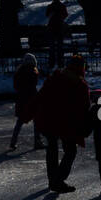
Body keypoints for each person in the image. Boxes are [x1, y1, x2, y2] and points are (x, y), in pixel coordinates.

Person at [34, 54, 91, 192]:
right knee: (70, 151)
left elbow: (40, 96)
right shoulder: (80, 85)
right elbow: (84, 109)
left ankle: (53, 179)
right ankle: (57, 180)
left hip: (49, 120)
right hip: (67, 123)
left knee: (52, 149)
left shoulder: (55, 78)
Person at [10, 53, 44, 150]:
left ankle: (13, 141)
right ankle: (37, 141)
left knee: (20, 121)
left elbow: (16, 86)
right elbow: (33, 87)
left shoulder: (19, 72)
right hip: (32, 100)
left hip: (21, 100)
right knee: (36, 121)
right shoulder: (33, 72)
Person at [46, 0, 68, 70]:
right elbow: (48, 15)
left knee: (58, 47)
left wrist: (60, 17)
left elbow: (65, 15)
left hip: (58, 28)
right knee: (54, 47)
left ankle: (59, 63)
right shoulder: (51, 6)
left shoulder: (61, 6)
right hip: (53, 28)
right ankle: (54, 63)